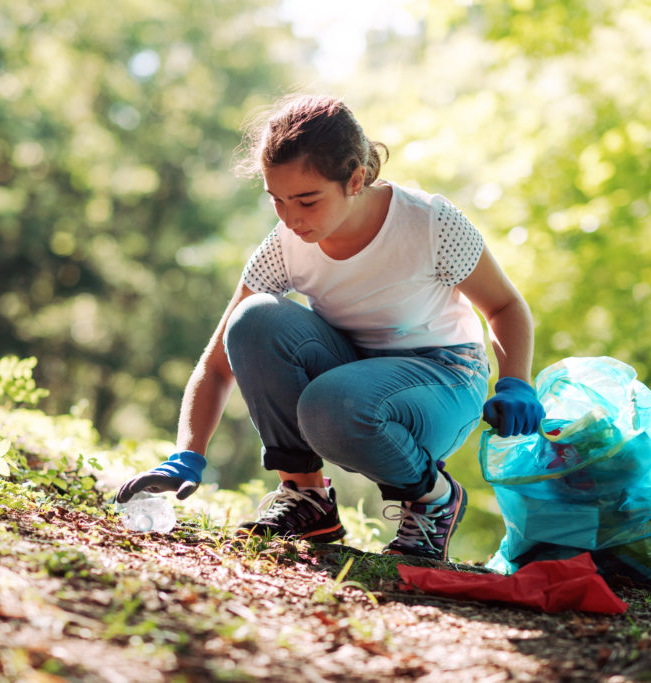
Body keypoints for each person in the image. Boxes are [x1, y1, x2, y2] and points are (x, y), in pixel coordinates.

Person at [116, 94, 544, 561]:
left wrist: (516, 383)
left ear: (355, 178)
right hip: (351, 374)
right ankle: (307, 499)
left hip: (442, 378)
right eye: (276, 200)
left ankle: (434, 499)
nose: (291, 217)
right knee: (254, 318)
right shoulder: (286, 244)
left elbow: (504, 305)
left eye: (307, 200)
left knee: (331, 402)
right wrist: (188, 454)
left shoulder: (429, 223)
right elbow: (218, 363)